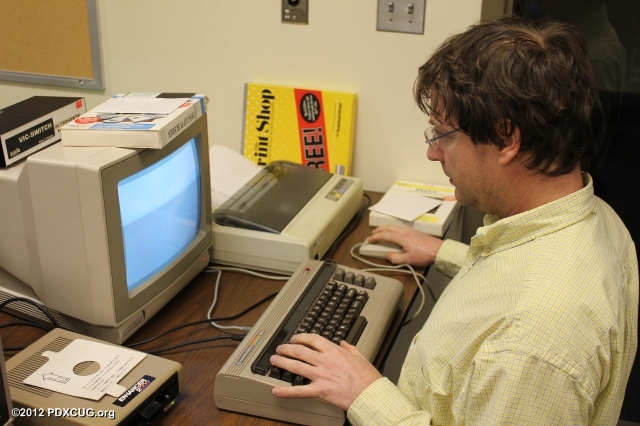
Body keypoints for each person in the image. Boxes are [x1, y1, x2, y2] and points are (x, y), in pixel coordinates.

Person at [270, 16, 638, 425]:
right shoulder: (596, 219)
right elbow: (518, 279)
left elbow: (523, 315)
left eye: (443, 134)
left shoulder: (528, 347)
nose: (433, 153)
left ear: (506, 138)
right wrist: (443, 251)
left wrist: (364, 394)